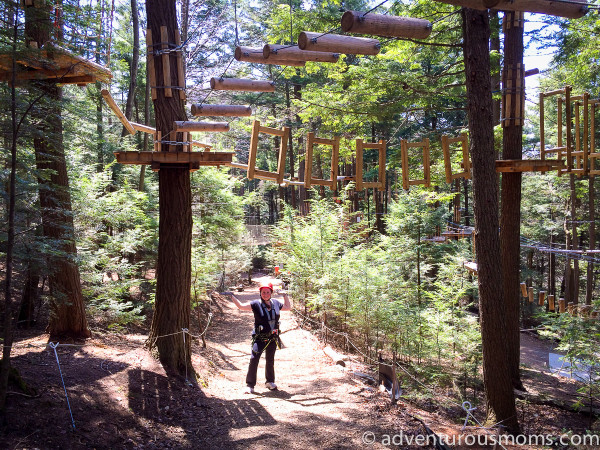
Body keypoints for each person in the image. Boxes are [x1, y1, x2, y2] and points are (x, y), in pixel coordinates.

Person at [227, 281, 291, 393]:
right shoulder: (256, 304)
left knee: (270, 359)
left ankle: (270, 381)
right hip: (260, 337)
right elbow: (241, 307)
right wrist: (232, 296)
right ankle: (250, 385)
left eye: (267, 292)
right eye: (263, 292)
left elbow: (288, 307)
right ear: (260, 293)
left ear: (271, 293)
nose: (265, 294)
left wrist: (285, 295)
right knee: (254, 358)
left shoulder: (276, 303)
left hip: (273, 337)